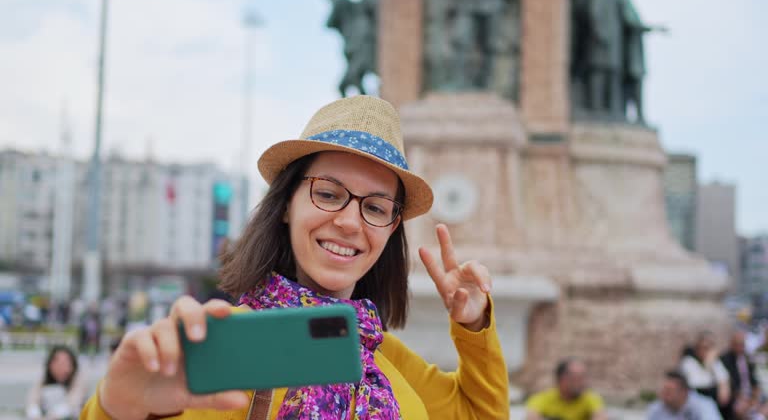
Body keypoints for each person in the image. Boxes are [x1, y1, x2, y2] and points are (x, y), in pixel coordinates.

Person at [79, 95, 510, 419]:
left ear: (391, 228)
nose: (349, 222)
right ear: (286, 203)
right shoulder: (227, 346)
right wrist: (114, 408)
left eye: (375, 207)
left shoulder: (378, 351)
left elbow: (477, 413)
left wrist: (473, 325)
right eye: (327, 194)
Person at [525, 358, 607, 420]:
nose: (583, 382)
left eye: (584, 377)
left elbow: (600, 416)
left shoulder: (590, 398)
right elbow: (532, 416)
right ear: (562, 379)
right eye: (577, 378)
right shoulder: (542, 398)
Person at [26, 345, 86, 420]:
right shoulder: (43, 378)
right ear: (50, 364)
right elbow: (33, 399)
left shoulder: (78, 378)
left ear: (72, 366)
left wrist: (53, 415)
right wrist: (35, 413)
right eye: (57, 363)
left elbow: (74, 401)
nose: (61, 367)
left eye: (66, 363)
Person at [720, 330, 763, 420]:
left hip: (750, 395)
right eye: (737, 344)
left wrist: (755, 394)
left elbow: (753, 379)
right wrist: (742, 397)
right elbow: (729, 382)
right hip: (736, 397)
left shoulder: (747, 358)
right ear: (732, 344)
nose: (740, 347)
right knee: (741, 409)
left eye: (742, 344)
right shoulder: (725, 359)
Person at [647, 370, 722, 420]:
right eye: (663, 390)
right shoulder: (656, 408)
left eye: (669, 391)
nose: (664, 394)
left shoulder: (704, 405)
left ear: (684, 392)